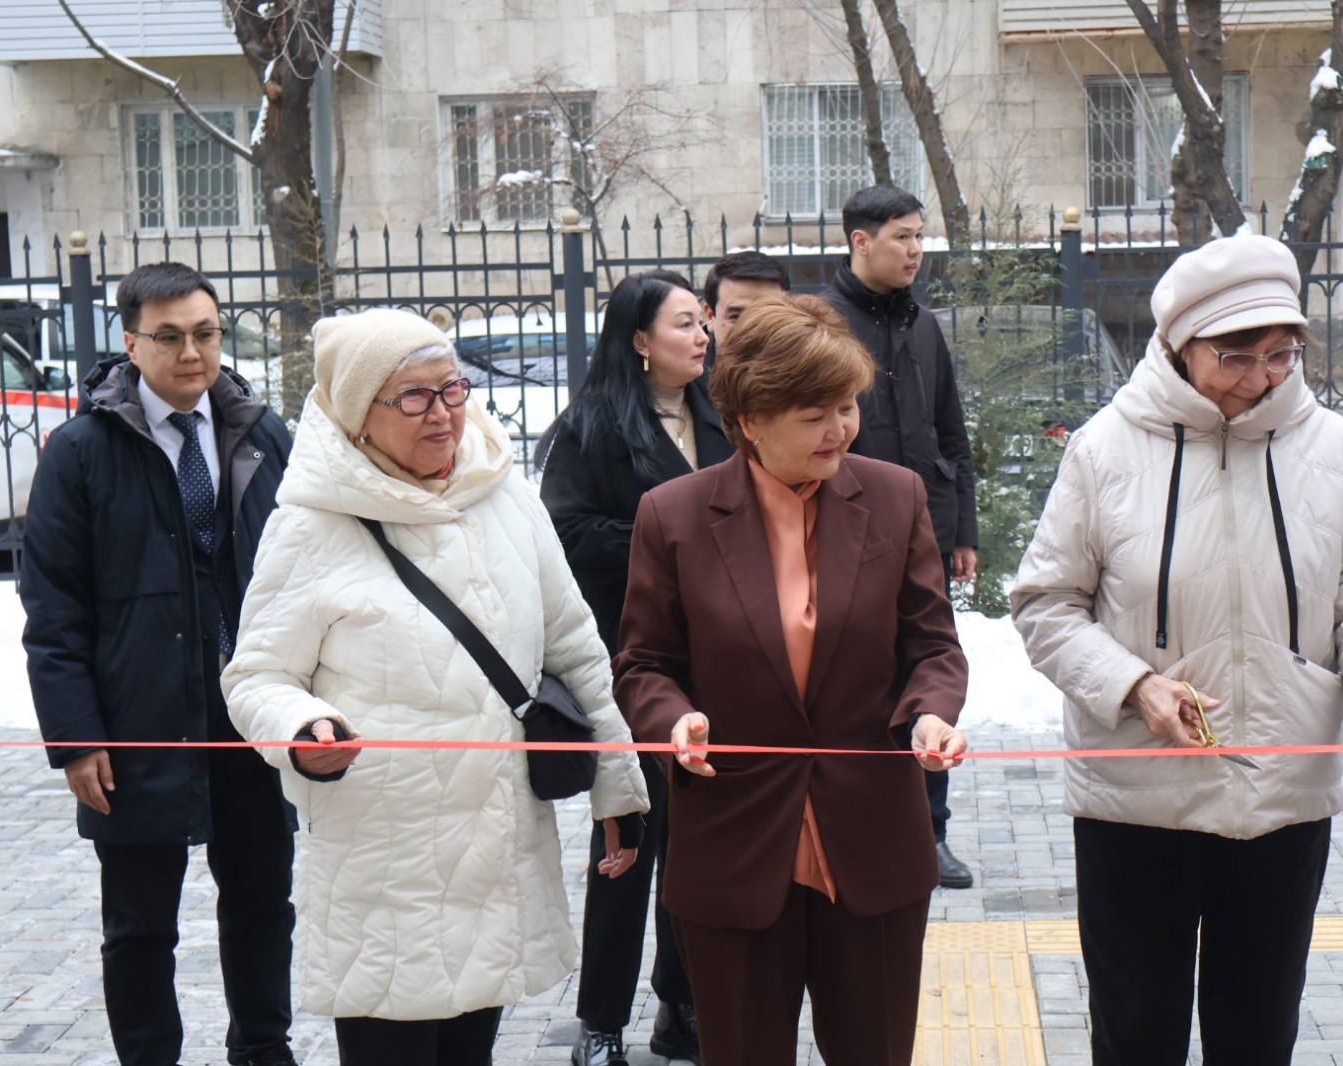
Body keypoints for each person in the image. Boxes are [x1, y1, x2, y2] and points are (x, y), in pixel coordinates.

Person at [1011, 234, 1343, 1066]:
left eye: (1281, 354)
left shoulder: (1328, 445)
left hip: (1281, 791)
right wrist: (1133, 687)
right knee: (1135, 1034)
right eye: (1236, 356)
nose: (1260, 377)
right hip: (1136, 798)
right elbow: (1045, 606)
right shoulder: (1105, 448)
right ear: (1178, 343)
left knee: (1260, 1032)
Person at [222, 307, 650, 1066]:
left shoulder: (505, 494)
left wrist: (618, 785)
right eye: (413, 397)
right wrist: (302, 729)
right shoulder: (312, 525)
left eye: (452, 389)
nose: (445, 413)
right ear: (358, 416)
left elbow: (577, 650)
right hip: (384, 861)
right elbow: (258, 674)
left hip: (498, 848)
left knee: (470, 1050)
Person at [613, 294, 969, 1065]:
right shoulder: (672, 517)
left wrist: (929, 715)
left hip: (872, 838)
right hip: (734, 840)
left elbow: (932, 646)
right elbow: (645, 663)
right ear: (750, 419)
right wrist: (672, 720)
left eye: (847, 406)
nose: (840, 429)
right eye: (814, 414)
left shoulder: (894, 496)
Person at [19, 262, 298, 1066]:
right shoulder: (81, 452)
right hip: (135, 718)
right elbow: (54, 609)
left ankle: (263, 1050)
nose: (192, 354)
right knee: (139, 925)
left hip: (251, 712)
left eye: (206, 334)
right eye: (170, 337)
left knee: (261, 905)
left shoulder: (261, 434)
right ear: (132, 343)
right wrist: (74, 736)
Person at [538, 269, 735, 1066]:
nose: (702, 336)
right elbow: (570, 535)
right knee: (628, 840)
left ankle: (679, 1006)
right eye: (685, 324)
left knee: (701, 845)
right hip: (632, 660)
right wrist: (668, 542)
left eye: (704, 323)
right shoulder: (590, 428)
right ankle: (602, 1021)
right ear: (638, 340)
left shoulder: (721, 417)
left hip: (719, 665)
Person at [821, 183, 979, 889]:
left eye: (921, 237)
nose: (917, 251)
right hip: (840, 533)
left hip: (926, 534)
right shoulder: (821, 323)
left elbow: (951, 429)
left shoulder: (922, 324)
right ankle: (850, 824)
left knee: (928, 675)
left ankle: (929, 831)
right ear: (861, 240)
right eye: (903, 237)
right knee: (850, 682)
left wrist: (962, 527)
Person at [701, 250, 790, 367]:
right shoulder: (682, 379)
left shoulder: (810, 373)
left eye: (767, 316)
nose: (751, 331)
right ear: (710, 316)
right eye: (736, 317)